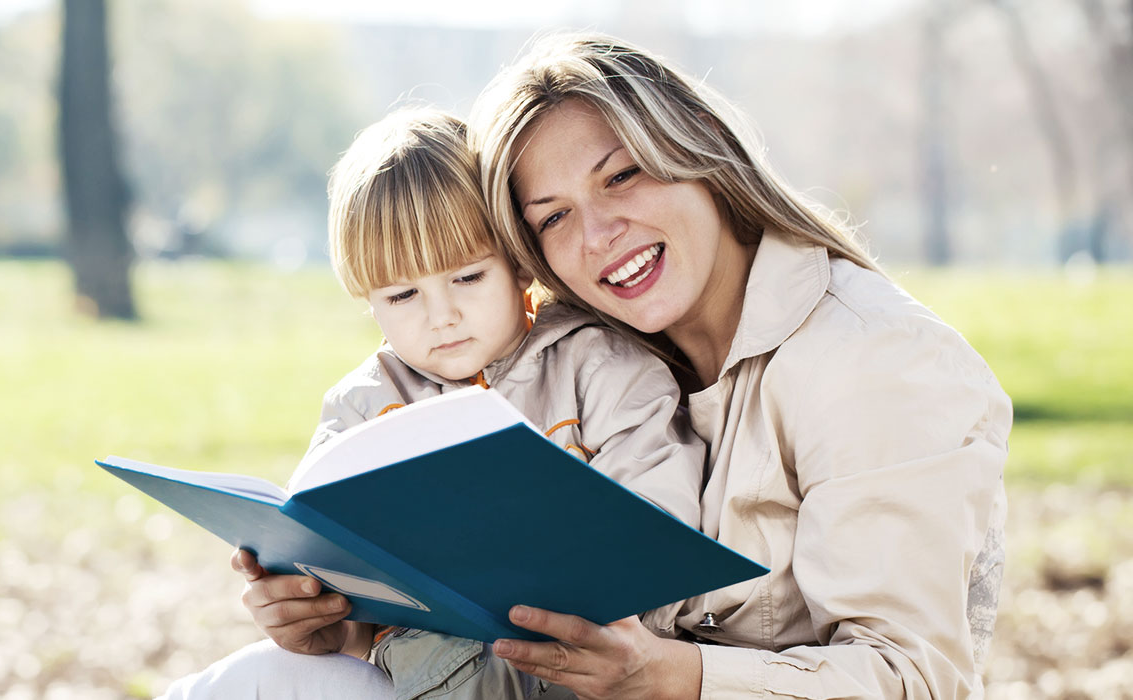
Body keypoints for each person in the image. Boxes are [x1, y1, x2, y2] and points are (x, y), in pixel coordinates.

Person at [457, 34, 1009, 698]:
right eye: (554, 217)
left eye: (622, 175)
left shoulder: (872, 357)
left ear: (702, 140)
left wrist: (670, 675)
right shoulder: (585, 365)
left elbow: (913, 680)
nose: (598, 234)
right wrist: (352, 622)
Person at [164, 107, 708, 699]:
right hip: (419, 682)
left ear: (519, 263)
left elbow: (664, 528)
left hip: (576, 679)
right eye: (402, 294)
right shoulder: (361, 410)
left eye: (468, 278)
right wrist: (315, 620)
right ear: (367, 301)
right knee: (240, 681)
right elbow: (345, 593)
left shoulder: (599, 367)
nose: (441, 316)